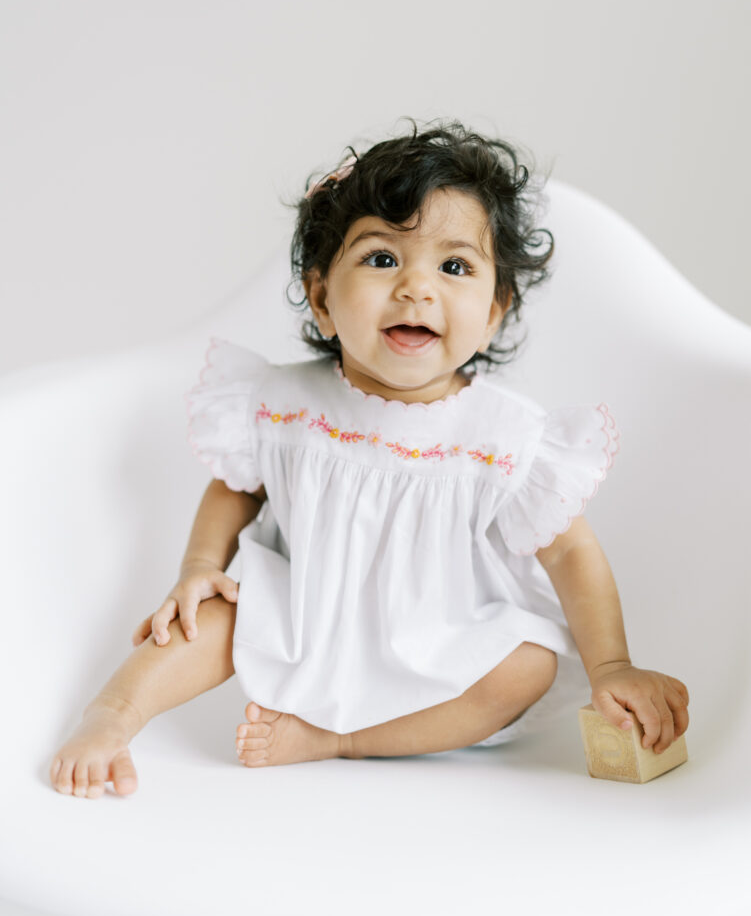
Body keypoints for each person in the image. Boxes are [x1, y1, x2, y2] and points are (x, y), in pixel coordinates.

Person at [49, 118, 690, 799]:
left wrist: (612, 665)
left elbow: (569, 554)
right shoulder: (281, 404)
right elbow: (236, 488)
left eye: (454, 266)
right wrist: (200, 568)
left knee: (526, 664)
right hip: (301, 609)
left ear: (495, 311)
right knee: (205, 615)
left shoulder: (505, 438)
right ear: (322, 298)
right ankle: (111, 716)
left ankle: (338, 739)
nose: (417, 288)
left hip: (444, 633)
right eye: (382, 258)